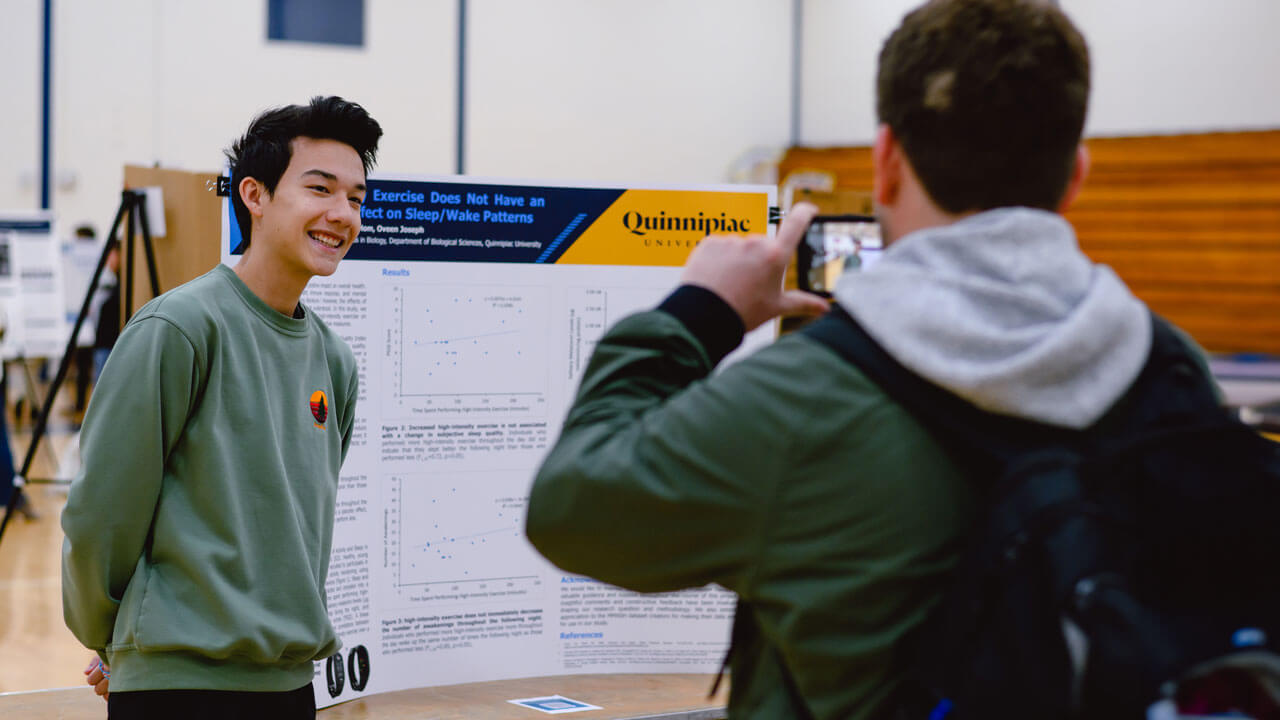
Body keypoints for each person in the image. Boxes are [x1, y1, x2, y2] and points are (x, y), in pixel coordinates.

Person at [526, 1, 1154, 717]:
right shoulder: (1169, 374)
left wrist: (700, 311)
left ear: (886, 162)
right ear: (1076, 174)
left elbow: (570, 508)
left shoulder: (805, 399)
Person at [62, 96, 382, 719]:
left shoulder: (334, 361)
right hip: (179, 689)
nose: (341, 214)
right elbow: (102, 514)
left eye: (357, 198)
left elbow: (295, 531)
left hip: (290, 686)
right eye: (320, 189)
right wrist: (118, 638)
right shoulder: (179, 328)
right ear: (254, 196)